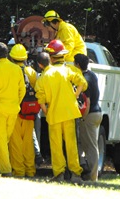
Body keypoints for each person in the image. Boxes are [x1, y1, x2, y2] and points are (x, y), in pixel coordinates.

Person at [35, 41, 88, 184]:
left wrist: (48, 111)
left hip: (54, 115)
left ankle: (59, 174)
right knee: (71, 144)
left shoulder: (45, 75)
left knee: (56, 145)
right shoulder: (69, 70)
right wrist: (75, 96)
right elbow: (82, 83)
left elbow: (40, 99)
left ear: (51, 57)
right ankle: (76, 174)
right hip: (70, 112)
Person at [0, 42, 26, 176]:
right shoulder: (17, 69)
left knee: (0, 139)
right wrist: (16, 102)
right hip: (13, 108)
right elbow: (22, 90)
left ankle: (5, 169)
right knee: (4, 137)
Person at [8, 43, 38, 178]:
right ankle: (30, 170)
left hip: (14, 111)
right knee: (28, 143)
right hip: (28, 112)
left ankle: (19, 171)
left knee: (15, 143)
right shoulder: (31, 72)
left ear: (11, 57)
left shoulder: (10, 71)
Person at [74, 53, 102, 181]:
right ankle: (86, 172)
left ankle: (92, 177)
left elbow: (87, 102)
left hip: (89, 115)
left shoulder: (84, 80)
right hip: (98, 113)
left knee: (91, 147)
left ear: (78, 65)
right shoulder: (92, 75)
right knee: (88, 144)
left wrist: (83, 118)